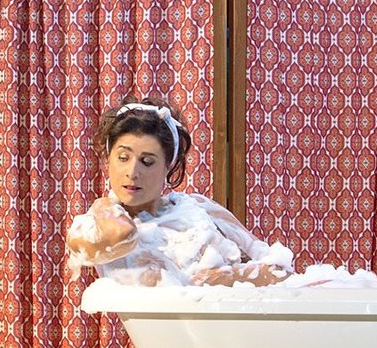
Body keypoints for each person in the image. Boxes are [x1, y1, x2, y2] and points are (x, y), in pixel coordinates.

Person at [65, 99, 293, 286]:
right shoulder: (92, 226)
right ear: (108, 159)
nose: (132, 172)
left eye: (147, 162)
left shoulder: (199, 207)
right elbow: (120, 234)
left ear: (168, 165)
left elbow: (281, 271)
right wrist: (105, 203)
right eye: (123, 158)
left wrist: (220, 278)